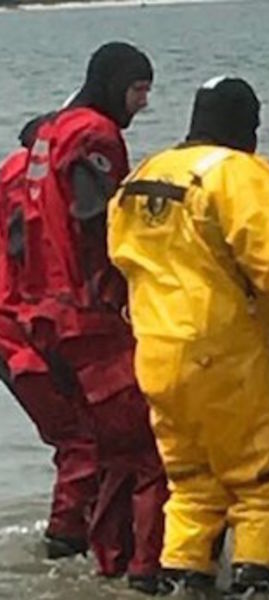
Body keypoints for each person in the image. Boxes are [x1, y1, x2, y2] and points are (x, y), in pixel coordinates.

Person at [107, 76, 269, 596]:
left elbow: (119, 259)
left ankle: (184, 581)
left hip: (156, 355)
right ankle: (254, 584)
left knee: (193, 485)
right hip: (225, 357)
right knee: (267, 482)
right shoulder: (238, 174)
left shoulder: (143, 174)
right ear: (248, 125)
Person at [12, 42, 167, 594]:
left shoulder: (45, 139)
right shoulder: (95, 134)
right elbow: (92, 215)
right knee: (145, 452)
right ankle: (140, 572)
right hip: (86, 316)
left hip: (43, 317)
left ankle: (95, 554)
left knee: (98, 446)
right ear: (112, 83)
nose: (143, 103)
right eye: (138, 90)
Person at [0, 115, 98, 562]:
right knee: (83, 438)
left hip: (15, 328)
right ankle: (68, 541)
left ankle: (82, 533)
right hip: (21, 331)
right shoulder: (28, 179)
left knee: (78, 436)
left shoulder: (15, 172)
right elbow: (33, 256)